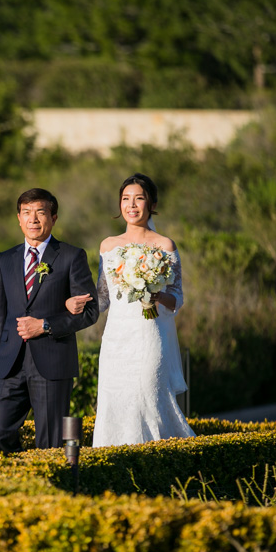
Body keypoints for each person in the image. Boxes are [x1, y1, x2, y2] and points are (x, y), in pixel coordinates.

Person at [65, 173, 195, 447]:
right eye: (126, 199)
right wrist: (72, 303)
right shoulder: (108, 246)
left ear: (151, 204)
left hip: (150, 336)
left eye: (139, 198)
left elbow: (177, 297)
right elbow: (103, 297)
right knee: (116, 400)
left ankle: (160, 459)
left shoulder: (164, 245)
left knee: (148, 395)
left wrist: (157, 294)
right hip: (117, 339)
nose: (131, 205)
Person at [0, 188, 99, 454]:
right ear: (18, 218)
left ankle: (47, 491)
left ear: (54, 217)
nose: (33, 219)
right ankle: (19, 485)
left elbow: (90, 312)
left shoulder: (72, 256)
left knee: (49, 445)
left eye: (40, 212)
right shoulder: (5, 259)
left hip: (52, 360)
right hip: (10, 363)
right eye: (26, 213)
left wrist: (45, 325)